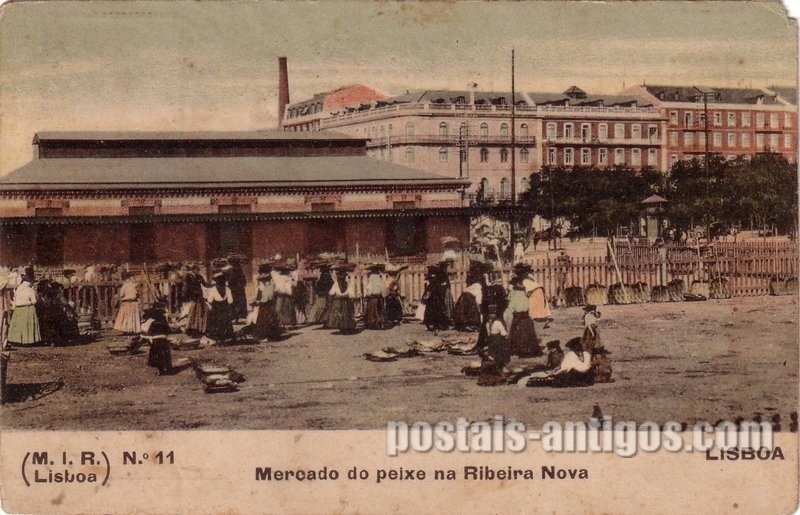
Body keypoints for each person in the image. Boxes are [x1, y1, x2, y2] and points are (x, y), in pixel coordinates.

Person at [518, 337, 593, 387]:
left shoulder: (571, 355)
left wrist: (555, 373)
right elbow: (586, 367)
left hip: (574, 375)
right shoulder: (586, 354)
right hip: (585, 377)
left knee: (553, 379)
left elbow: (565, 368)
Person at [504, 277, 541, 357]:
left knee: (518, 333)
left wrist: (509, 312)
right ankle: (529, 350)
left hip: (518, 316)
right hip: (526, 316)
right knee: (528, 333)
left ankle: (519, 350)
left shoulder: (514, 294)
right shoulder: (526, 293)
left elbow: (511, 307)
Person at [7, 267, 42, 346]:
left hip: (18, 309)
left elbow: (15, 299)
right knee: (27, 326)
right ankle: (28, 341)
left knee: (18, 325)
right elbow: (34, 301)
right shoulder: (30, 290)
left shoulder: (18, 289)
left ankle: (16, 340)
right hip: (28, 308)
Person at [452, 261, 485, 331]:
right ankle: (471, 324)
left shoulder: (471, 284)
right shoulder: (478, 286)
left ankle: (462, 324)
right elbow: (478, 301)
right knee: (472, 308)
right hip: (469, 299)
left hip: (463, 297)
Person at [251, 271, 282, 341]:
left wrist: (257, 302)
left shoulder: (268, 288)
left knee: (265, 322)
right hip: (271, 307)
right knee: (271, 321)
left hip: (266, 307)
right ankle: (272, 336)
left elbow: (265, 299)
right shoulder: (272, 286)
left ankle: (267, 337)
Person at [325, 265, 356, 333]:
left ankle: (341, 327)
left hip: (338, 301)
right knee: (346, 314)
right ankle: (346, 327)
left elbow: (331, 293)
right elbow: (352, 294)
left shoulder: (336, 284)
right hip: (345, 301)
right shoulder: (348, 284)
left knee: (339, 315)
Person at [205, 271, 234, 343]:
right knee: (225, 321)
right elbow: (230, 301)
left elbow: (210, 300)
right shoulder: (227, 289)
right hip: (225, 308)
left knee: (215, 322)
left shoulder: (213, 289)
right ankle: (226, 336)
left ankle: (216, 337)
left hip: (216, 309)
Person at [182, 264, 209, 337]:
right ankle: (190, 328)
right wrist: (185, 296)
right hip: (192, 296)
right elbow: (186, 287)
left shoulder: (199, 276)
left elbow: (205, 284)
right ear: (193, 270)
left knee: (198, 312)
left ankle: (198, 328)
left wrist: (212, 285)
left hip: (199, 296)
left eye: (198, 270)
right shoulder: (188, 277)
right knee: (192, 313)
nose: (198, 272)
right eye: (196, 270)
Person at [422, 264, 450, 331]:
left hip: (435, 297)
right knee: (434, 310)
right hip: (433, 297)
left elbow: (431, 289)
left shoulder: (434, 278)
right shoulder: (432, 279)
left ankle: (437, 325)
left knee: (436, 310)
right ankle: (434, 324)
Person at [363, 264, 386, 329]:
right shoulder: (379, 278)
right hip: (379, 296)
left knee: (372, 310)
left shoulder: (372, 278)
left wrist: (367, 294)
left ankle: (373, 323)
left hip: (373, 297)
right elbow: (382, 288)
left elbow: (370, 288)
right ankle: (379, 323)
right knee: (379, 310)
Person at [227, 257, 249, 323]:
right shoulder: (239, 270)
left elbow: (231, 281)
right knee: (239, 303)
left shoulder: (233, 271)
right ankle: (240, 317)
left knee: (235, 303)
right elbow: (244, 281)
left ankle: (236, 317)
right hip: (239, 290)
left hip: (235, 290)